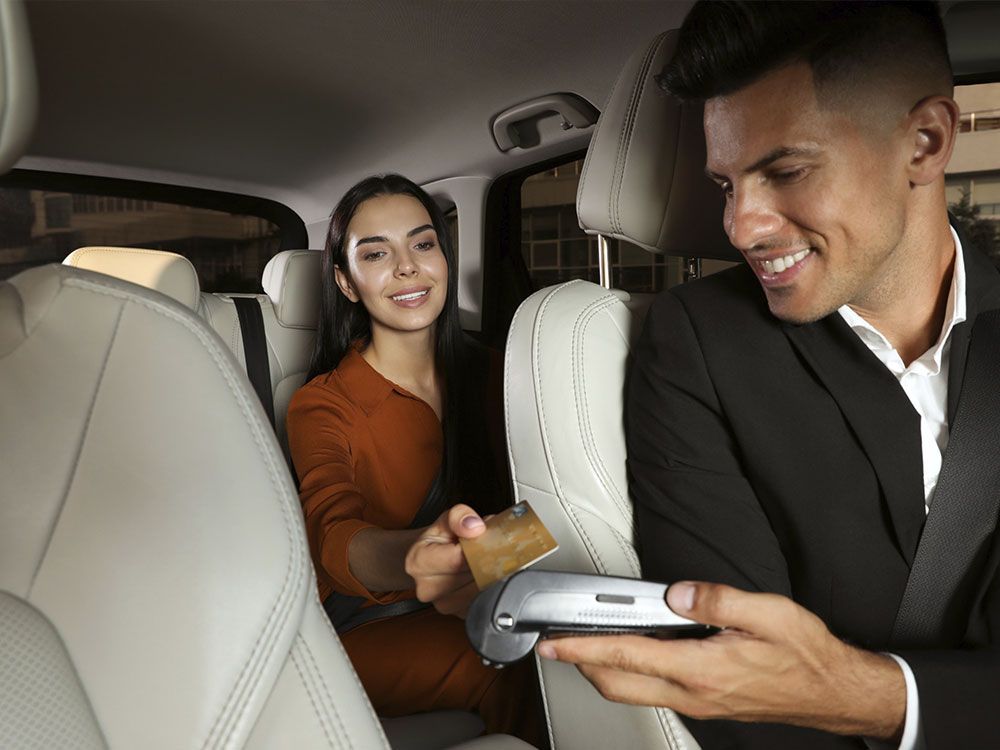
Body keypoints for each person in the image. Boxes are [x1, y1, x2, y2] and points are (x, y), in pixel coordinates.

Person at [532, 2, 1000, 749]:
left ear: (926, 141)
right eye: (724, 184)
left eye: (786, 170)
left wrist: (869, 696)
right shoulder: (700, 346)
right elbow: (744, 685)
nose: (740, 225)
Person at [286, 174, 543, 745]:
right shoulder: (324, 403)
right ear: (346, 283)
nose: (407, 267)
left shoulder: (502, 372)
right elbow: (332, 533)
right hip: (370, 627)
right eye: (376, 253)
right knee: (520, 661)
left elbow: (546, 508)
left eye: (423, 244)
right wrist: (415, 553)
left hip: (495, 591)